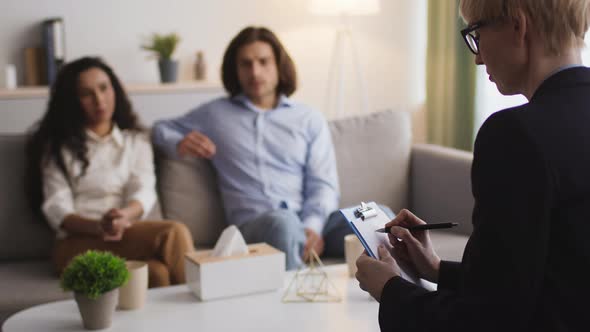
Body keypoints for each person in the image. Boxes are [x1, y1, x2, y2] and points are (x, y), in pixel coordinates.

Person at [355, 0, 590, 331]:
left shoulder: (515, 134)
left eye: (476, 34)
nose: (478, 58)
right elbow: (552, 279)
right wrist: (437, 269)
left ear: (518, 26)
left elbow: (485, 320)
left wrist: (390, 288)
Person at [152, 26, 353, 270]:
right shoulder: (215, 115)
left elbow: (323, 184)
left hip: (309, 222)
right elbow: (160, 128)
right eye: (245, 64)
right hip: (256, 226)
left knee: (375, 216)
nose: (255, 72)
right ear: (235, 71)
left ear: (279, 65)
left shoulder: (309, 118)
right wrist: (179, 142)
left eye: (263, 62)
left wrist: (313, 228)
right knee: (283, 223)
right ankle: (296, 302)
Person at [25, 57, 194, 288]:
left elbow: (143, 188)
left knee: (157, 274)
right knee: (174, 232)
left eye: (104, 88)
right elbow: (57, 208)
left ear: (115, 89)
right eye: (86, 94)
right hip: (76, 242)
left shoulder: (136, 141)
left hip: (127, 234)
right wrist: (98, 226)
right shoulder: (57, 148)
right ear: (73, 100)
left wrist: (124, 216)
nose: (99, 100)